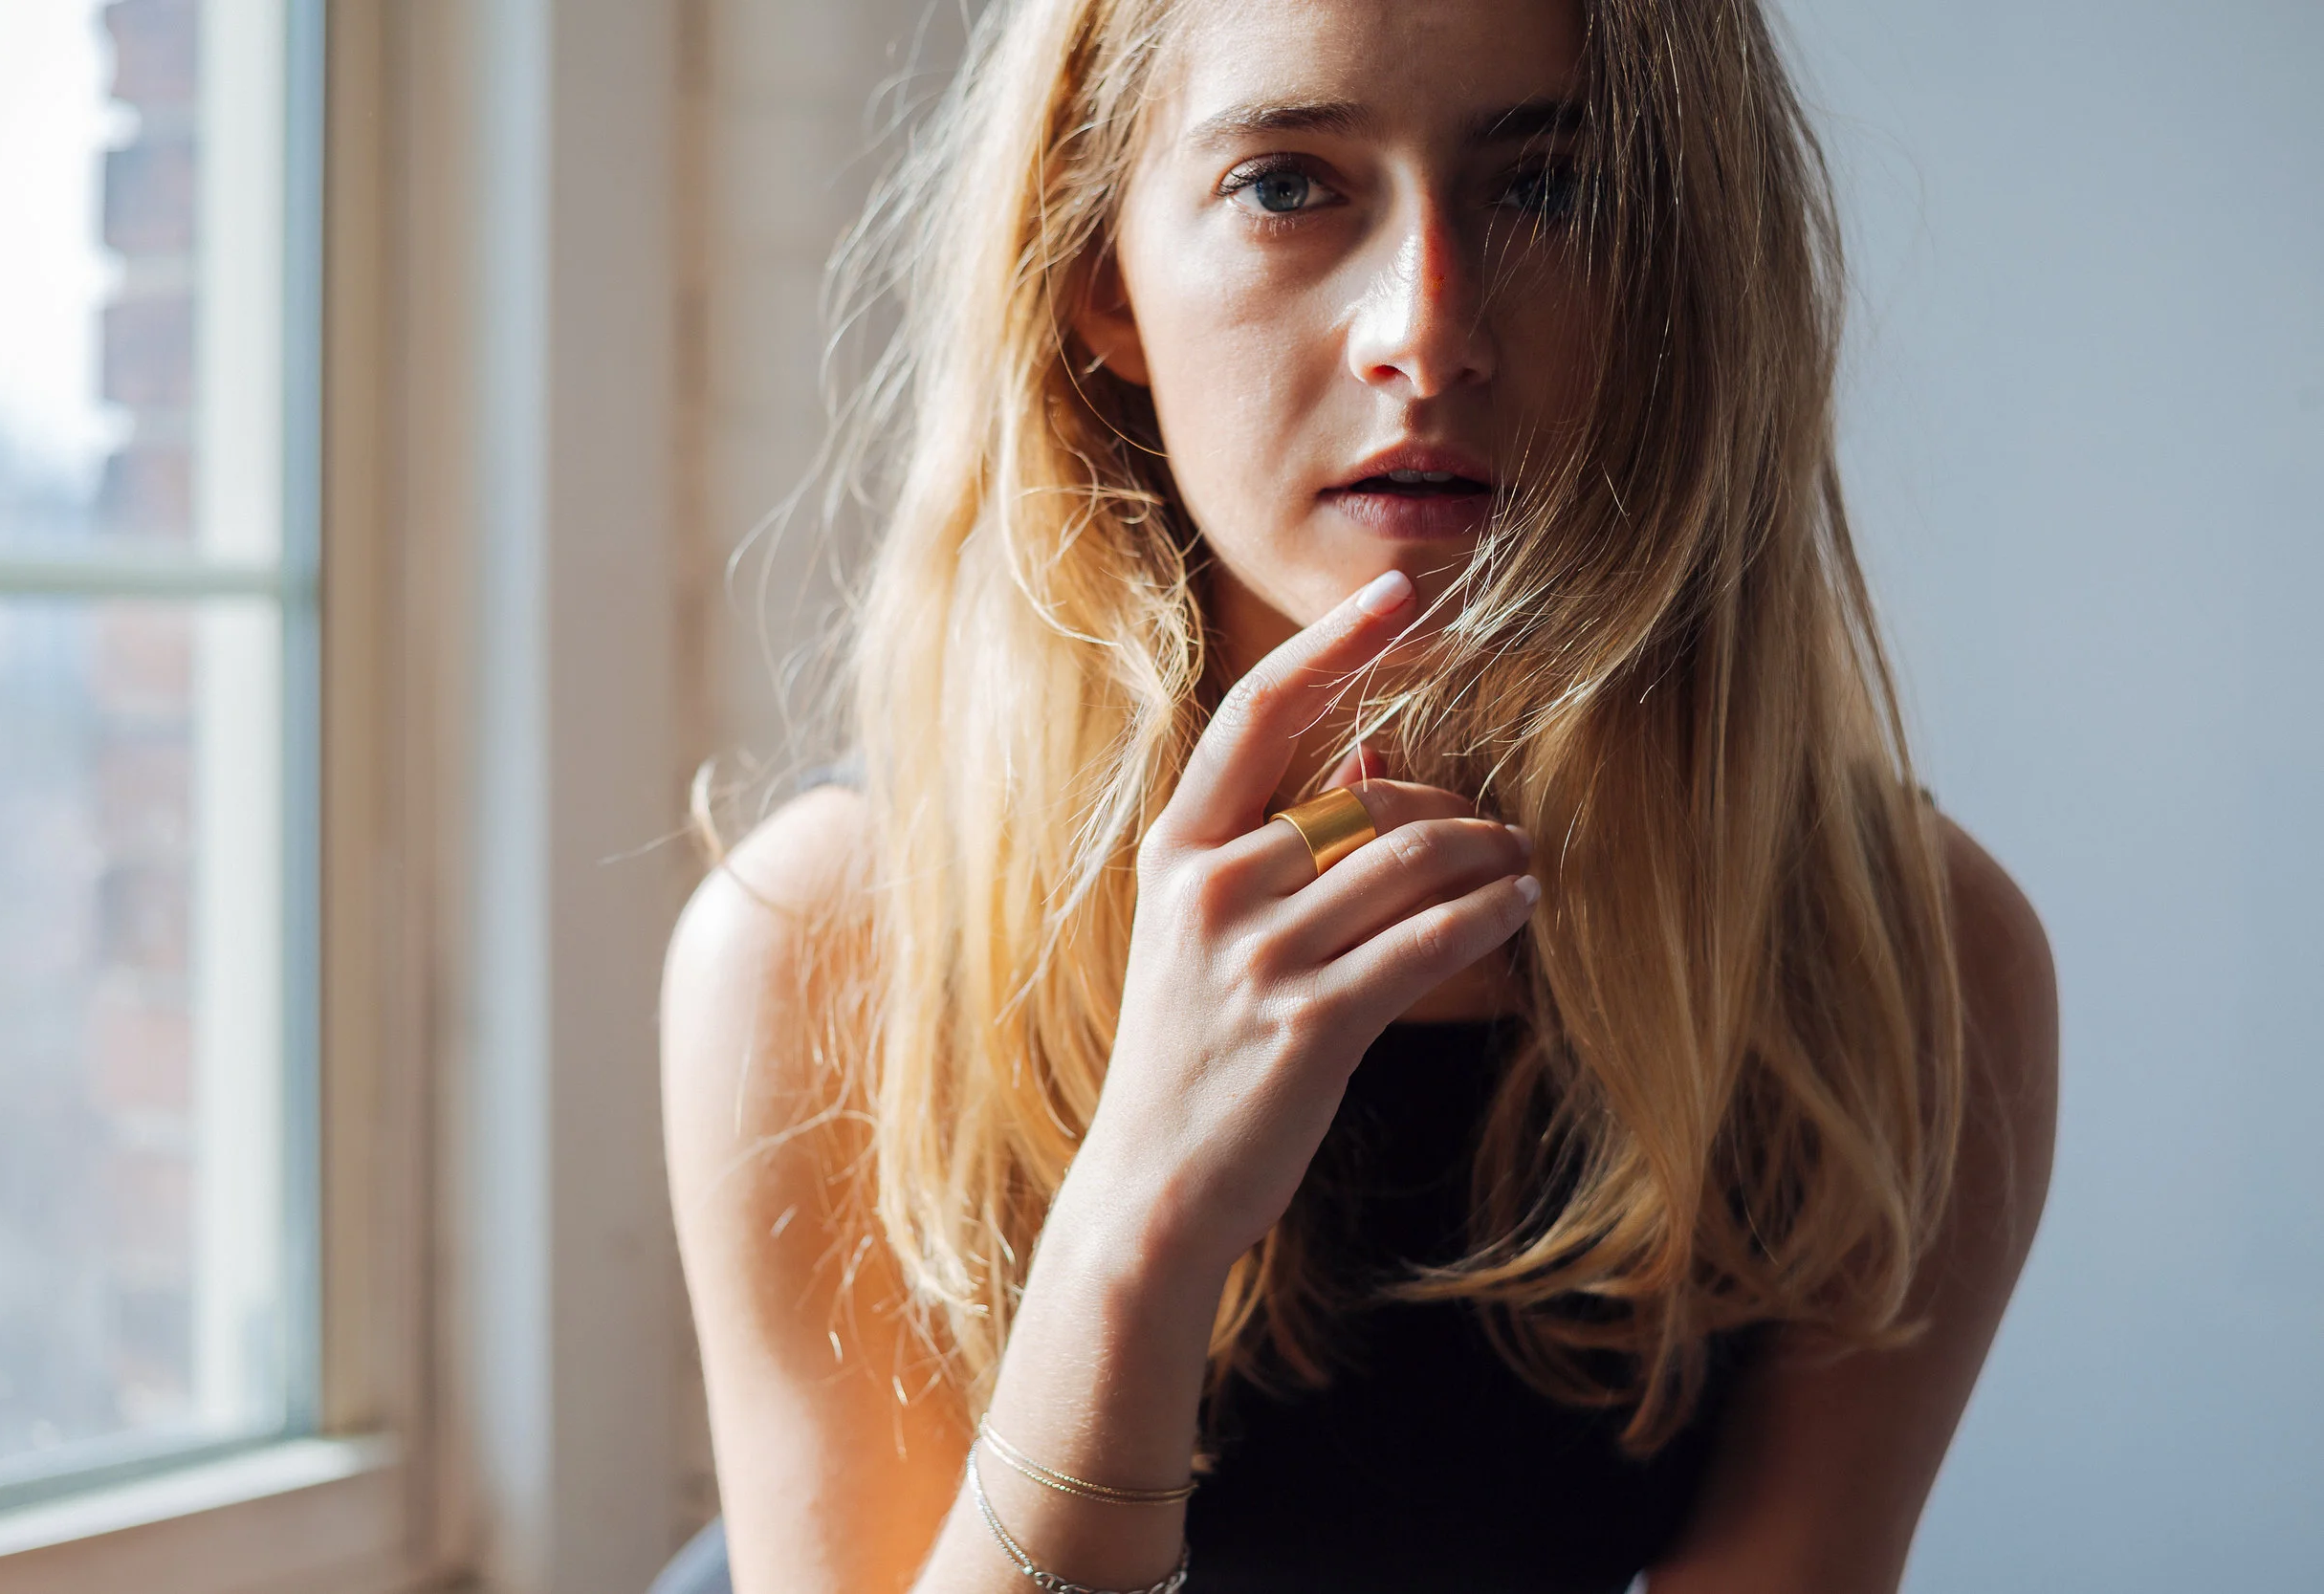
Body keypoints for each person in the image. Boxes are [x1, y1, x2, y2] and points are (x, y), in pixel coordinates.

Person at [662, 0, 2059, 1589]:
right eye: (1286, 184)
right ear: (1101, 272)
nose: (1427, 330)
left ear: (1690, 266)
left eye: (1553, 187)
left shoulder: (1905, 970)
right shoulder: (827, 948)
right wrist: (1137, 1229)